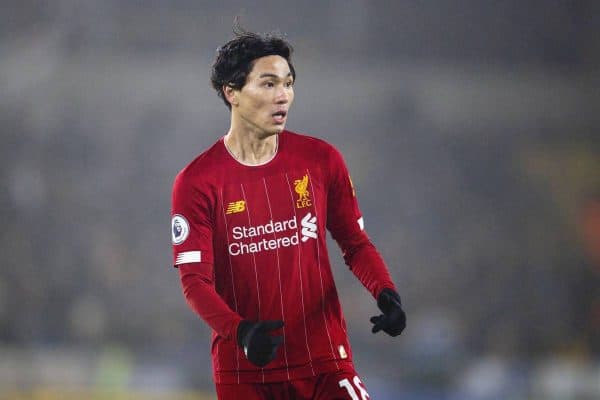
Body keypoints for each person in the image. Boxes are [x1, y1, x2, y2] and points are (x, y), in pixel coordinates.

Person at [170, 28, 406, 400]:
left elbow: (354, 243)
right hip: (245, 370)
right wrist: (241, 331)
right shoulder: (197, 181)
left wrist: (386, 292)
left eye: (288, 83)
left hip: (324, 360)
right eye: (268, 84)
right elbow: (194, 281)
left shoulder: (321, 160)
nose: (283, 96)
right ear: (232, 93)